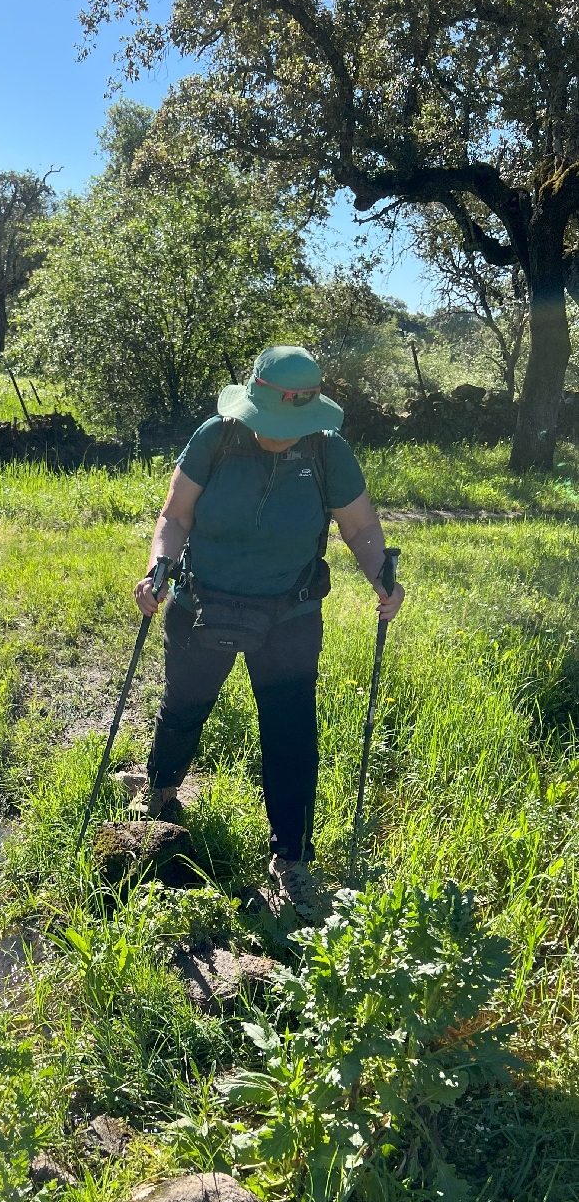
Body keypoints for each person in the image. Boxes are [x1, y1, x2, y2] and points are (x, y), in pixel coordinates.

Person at [133, 344, 405, 906]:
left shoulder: (329, 453)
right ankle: (159, 793)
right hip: (201, 601)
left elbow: (359, 527)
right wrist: (159, 569)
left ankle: (293, 859)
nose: (277, 432)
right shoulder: (215, 438)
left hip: (290, 613)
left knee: (290, 733)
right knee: (184, 705)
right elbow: (175, 515)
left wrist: (383, 576)